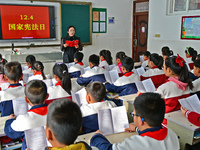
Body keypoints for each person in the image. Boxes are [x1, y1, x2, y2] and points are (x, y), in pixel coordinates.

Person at [90, 93, 180, 150]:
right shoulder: (172, 134)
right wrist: (137, 129)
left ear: (140, 120)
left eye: (134, 115)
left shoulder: (134, 144)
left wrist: (97, 137)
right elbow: (153, 135)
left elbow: (108, 149)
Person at [4, 80, 49, 150]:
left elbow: (9, 131)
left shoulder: (23, 119)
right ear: (47, 96)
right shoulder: (57, 114)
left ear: (26, 100)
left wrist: (10, 120)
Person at [156, 54, 193, 125]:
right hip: (182, 121)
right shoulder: (188, 84)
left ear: (169, 70)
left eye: (164, 67)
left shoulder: (163, 88)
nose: (163, 68)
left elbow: (156, 108)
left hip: (166, 122)